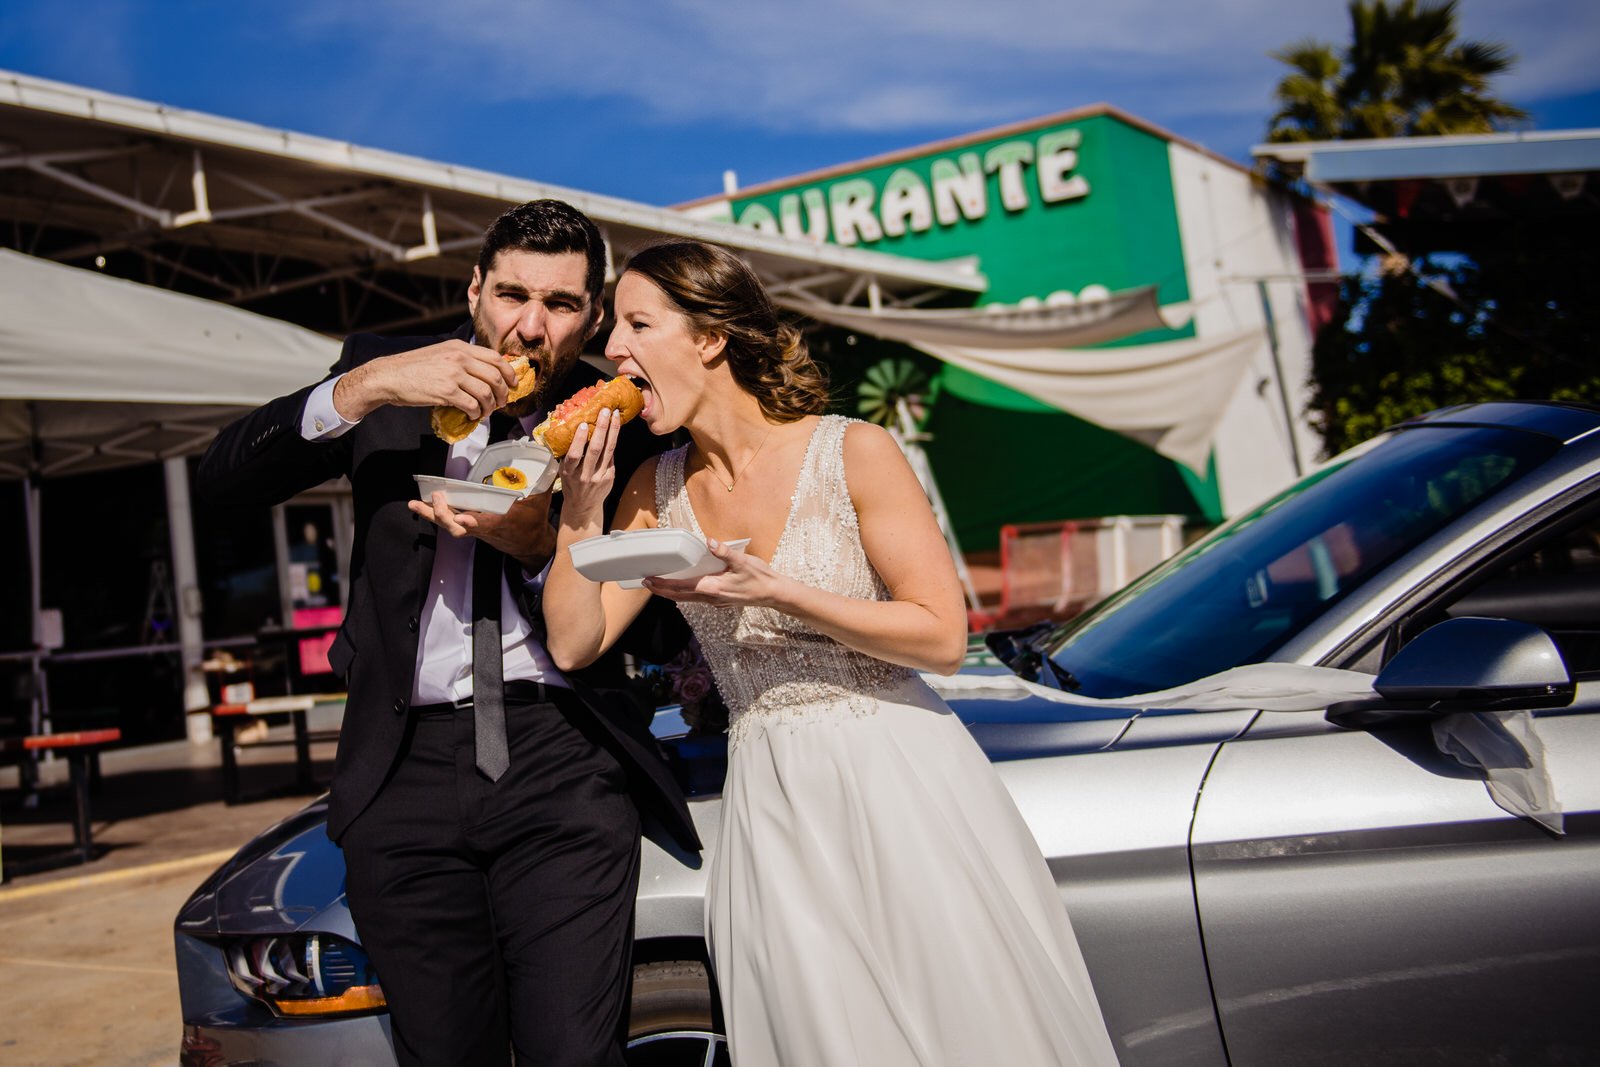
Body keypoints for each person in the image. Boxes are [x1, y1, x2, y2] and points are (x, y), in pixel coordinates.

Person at [543, 239, 1121, 1065]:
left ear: (710, 337)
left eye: (638, 324)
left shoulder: (853, 450)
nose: (616, 351)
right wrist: (579, 508)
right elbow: (574, 637)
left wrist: (776, 589)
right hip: (770, 798)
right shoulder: (651, 488)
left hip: (899, 777)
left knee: (962, 1025)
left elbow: (943, 636)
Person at [195, 200, 700, 1067]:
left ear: (591, 315)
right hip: (403, 768)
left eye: (562, 305)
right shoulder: (383, 376)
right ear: (474, 289)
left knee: (575, 1055)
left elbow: (655, 628)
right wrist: (366, 387)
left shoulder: (627, 419)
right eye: (511, 295)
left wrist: (543, 549)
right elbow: (220, 483)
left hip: (562, 753)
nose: (530, 326)